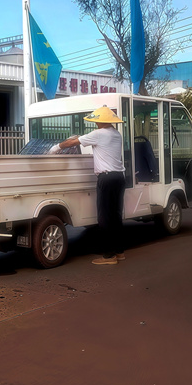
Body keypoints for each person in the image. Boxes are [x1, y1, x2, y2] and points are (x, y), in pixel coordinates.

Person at [51, 105, 126, 265]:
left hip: (106, 178)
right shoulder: (116, 134)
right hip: (119, 177)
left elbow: (73, 142)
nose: (95, 123)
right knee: (116, 215)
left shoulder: (99, 134)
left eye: (97, 121)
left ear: (101, 121)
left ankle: (109, 256)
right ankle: (119, 252)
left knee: (104, 217)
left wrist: (56, 147)